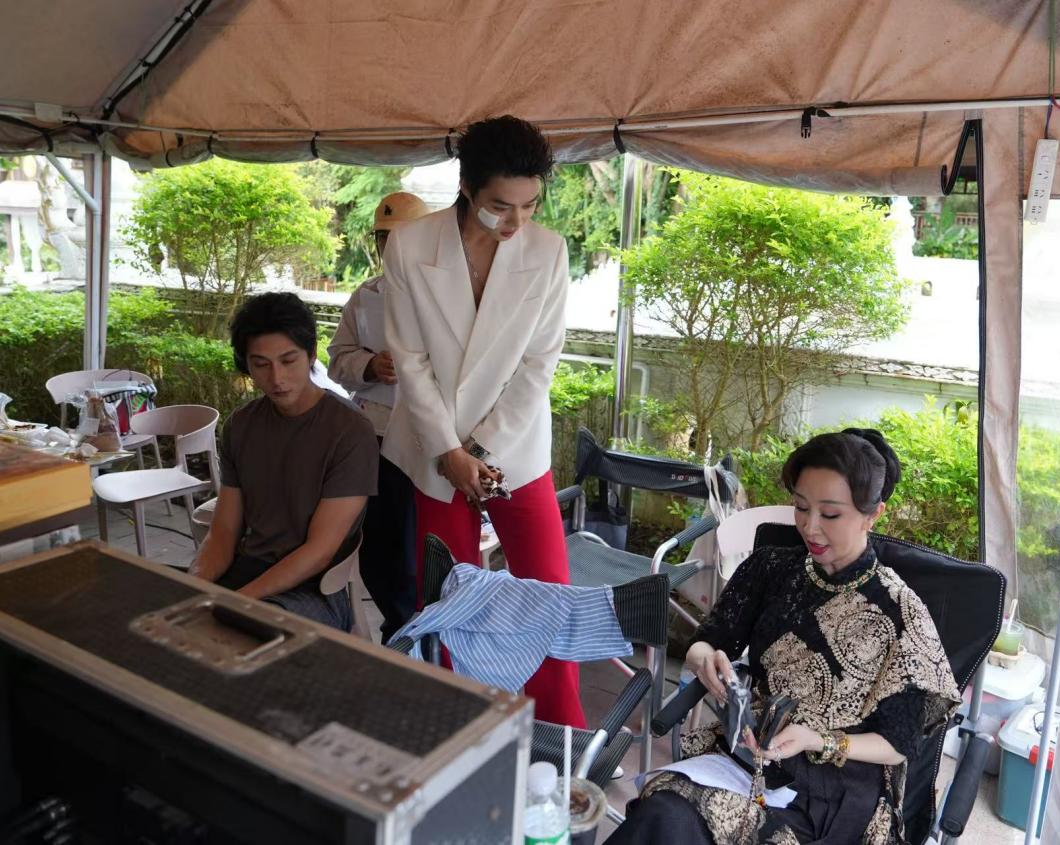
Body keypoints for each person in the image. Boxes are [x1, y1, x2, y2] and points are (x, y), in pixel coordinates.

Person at [610, 429, 960, 845]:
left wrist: (818, 741)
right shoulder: (770, 568)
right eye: (801, 507)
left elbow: (899, 744)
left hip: (837, 787)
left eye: (830, 515)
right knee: (665, 814)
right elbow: (708, 640)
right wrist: (705, 661)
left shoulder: (901, 611)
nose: (810, 527)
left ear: (873, 515)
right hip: (752, 755)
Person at [379, 115, 584, 728]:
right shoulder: (410, 247)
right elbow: (410, 361)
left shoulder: (547, 252)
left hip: (514, 448)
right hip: (433, 448)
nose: (516, 221)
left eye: (530, 205)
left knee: (548, 592)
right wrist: (449, 452)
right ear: (466, 187)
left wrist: (481, 449)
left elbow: (539, 364)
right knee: (448, 595)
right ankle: (455, 724)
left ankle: (564, 735)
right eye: (500, 206)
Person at [190, 292, 379, 630]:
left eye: (288, 361)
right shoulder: (241, 425)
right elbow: (223, 532)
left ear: (311, 354)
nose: (276, 378)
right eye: (261, 364)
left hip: (313, 590)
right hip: (248, 568)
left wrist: (238, 601)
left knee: (239, 629)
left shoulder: (350, 431)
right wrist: (194, 584)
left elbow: (320, 551)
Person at [327, 191, 431, 639]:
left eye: (400, 237)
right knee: (373, 544)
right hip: (371, 435)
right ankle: (397, 623)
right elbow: (336, 359)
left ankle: (413, 629)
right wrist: (369, 365)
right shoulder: (365, 296)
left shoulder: (448, 296)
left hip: (423, 438)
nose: (390, 247)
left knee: (410, 546)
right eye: (383, 238)